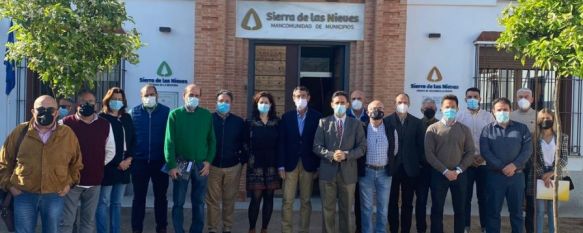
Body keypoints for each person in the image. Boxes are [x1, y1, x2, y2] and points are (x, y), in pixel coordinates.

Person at [0, 95, 83, 233]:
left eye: (50, 109)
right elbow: (4, 162)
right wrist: (10, 186)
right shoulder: (19, 132)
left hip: (55, 195)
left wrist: (69, 184)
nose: (45, 113)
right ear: (33, 112)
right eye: (41, 109)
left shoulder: (67, 134)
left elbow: (76, 164)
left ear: (56, 112)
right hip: (23, 194)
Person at [60, 90, 115, 233]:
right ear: (77, 103)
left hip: (94, 182)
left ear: (96, 104)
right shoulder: (65, 124)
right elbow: (57, 151)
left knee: (88, 222)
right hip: (70, 182)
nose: (88, 104)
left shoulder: (104, 125)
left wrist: (96, 164)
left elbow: (110, 150)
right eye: (84, 101)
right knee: (66, 222)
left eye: (91, 101)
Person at [165, 84, 216, 233]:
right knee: (178, 202)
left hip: (201, 165)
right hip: (181, 164)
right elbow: (169, 142)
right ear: (184, 96)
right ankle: (179, 230)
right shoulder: (175, 115)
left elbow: (212, 141)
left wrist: (208, 161)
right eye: (191, 95)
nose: (194, 98)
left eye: (197, 96)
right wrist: (172, 165)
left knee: (199, 202)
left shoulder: (206, 115)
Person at [313, 91, 367, 233]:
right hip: (327, 173)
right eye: (337, 103)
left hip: (348, 173)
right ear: (332, 105)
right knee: (327, 210)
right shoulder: (323, 122)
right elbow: (316, 146)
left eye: (343, 103)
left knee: (346, 210)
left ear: (348, 105)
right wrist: (331, 155)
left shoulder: (356, 124)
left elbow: (362, 148)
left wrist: (346, 155)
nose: (340, 105)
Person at [480, 97, 532, 233]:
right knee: (492, 213)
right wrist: (502, 167)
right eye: (499, 110)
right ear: (493, 112)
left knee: (517, 213)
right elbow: (485, 151)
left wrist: (514, 165)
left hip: (517, 177)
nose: (502, 112)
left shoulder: (522, 129)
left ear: (510, 110)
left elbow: (527, 150)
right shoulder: (487, 130)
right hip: (495, 177)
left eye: (505, 109)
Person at [425, 94, 476, 233]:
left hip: (459, 175)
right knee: (437, 209)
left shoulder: (464, 129)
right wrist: (445, 171)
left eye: (453, 107)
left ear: (458, 108)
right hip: (439, 175)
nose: (450, 109)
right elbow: (429, 154)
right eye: (447, 107)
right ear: (441, 108)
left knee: (460, 210)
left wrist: (458, 170)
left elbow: (470, 152)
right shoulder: (432, 129)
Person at [278, 86, 322, 233]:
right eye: (297, 96)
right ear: (293, 98)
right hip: (290, 164)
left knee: (306, 201)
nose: (300, 99)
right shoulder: (286, 117)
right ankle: (286, 230)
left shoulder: (317, 117)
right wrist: (281, 165)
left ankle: (304, 230)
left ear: (308, 98)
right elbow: (281, 142)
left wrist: (318, 166)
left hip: (309, 164)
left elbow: (319, 143)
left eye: (303, 96)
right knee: (287, 201)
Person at [130, 84, 170, 233]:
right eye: (146, 95)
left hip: (160, 162)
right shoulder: (133, 113)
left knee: (161, 198)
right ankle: (136, 229)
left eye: (152, 94)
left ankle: (161, 228)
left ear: (157, 96)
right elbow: (130, 138)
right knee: (139, 198)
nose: (149, 97)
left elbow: (170, 137)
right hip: (139, 163)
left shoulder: (166, 112)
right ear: (141, 97)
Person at [96, 87, 135, 233]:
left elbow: (133, 141)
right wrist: (116, 162)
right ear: (107, 100)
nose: (117, 102)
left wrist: (129, 159)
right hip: (108, 167)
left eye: (120, 99)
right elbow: (100, 145)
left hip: (125, 166)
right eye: (114, 99)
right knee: (103, 202)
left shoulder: (127, 118)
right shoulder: (101, 118)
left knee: (117, 203)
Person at [206, 90, 246, 233]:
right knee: (212, 201)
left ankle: (227, 227)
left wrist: (241, 160)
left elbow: (245, 143)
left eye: (227, 101)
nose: (224, 103)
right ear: (216, 102)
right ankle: (213, 228)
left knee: (229, 200)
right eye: (221, 101)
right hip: (213, 166)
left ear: (231, 103)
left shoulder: (238, 122)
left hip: (233, 167)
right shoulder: (208, 119)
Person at [456, 88, 495, 233]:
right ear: (465, 99)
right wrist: (468, 158)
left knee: (483, 197)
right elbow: (457, 141)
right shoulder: (459, 117)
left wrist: (484, 156)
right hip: (466, 164)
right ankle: (465, 226)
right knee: (465, 197)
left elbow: (493, 138)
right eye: (469, 96)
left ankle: (485, 226)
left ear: (480, 98)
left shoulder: (488, 117)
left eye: (475, 96)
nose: (472, 99)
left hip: (484, 163)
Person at [385, 93, 425, 233]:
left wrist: (419, 165)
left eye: (405, 101)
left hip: (410, 169)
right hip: (392, 169)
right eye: (400, 101)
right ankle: (394, 229)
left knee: (408, 203)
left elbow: (421, 146)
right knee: (392, 203)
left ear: (409, 103)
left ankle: (405, 230)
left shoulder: (417, 122)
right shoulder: (386, 121)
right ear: (395, 103)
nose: (403, 104)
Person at [359, 100, 397, 233]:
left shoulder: (391, 128)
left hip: (384, 173)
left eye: (380, 108)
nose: (377, 110)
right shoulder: (362, 128)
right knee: (367, 207)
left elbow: (395, 149)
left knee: (383, 208)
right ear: (367, 112)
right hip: (367, 172)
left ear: (384, 111)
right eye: (374, 108)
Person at [246, 91, 281, 233]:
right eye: (261, 102)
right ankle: (252, 228)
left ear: (271, 105)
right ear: (256, 104)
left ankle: (264, 228)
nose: (264, 105)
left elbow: (280, 143)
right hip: (256, 165)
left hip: (272, 164)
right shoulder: (250, 122)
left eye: (266, 102)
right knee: (256, 198)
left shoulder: (277, 122)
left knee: (269, 197)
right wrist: (249, 157)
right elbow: (244, 142)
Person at [530, 109, 568, 233]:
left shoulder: (562, 137)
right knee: (540, 210)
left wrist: (552, 173)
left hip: (556, 174)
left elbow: (563, 158)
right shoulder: (534, 137)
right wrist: (543, 174)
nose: (545, 120)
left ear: (553, 119)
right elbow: (532, 158)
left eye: (548, 118)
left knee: (553, 211)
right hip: (539, 175)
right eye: (542, 118)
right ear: (538, 121)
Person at [510, 88, 536, 233]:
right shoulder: (511, 116)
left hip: (533, 165)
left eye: (526, 96)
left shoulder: (539, 116)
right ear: (516, 98)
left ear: (532, 99)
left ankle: (530, 229)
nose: (523, 99)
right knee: (517, 200)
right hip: (515, 165)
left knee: (530, 199)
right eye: (520, 96)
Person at [347, 89, 369, 233]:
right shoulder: (344, 115)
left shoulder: (370, 116)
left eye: (359, 98)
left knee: (361, 201)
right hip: (347, 163)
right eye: (354, 98)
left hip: (363, 164)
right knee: (347, 201)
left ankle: (359, 229)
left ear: (364, 100)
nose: (356, 101)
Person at [417, 97, 438, 233]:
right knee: (421, 201)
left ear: (436, 109)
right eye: (426, 108)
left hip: (437, 169)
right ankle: (421, 229)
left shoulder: (441, 125)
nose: (429, 110)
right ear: (421, 109)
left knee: (437, 202)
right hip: (421, 169)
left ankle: (436, 229)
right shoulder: (416, 125)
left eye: (431, 108)